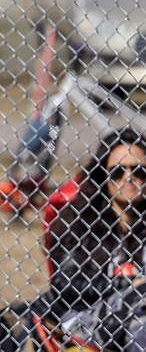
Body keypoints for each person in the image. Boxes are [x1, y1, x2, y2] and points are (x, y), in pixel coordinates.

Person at [42, 129, 146, 351]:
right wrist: (128, 286)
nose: (129, 178)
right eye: (118, 171)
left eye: (139, 171)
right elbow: (65, 285)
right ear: (103, 176)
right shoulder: (77, 223)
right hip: (86, 320)